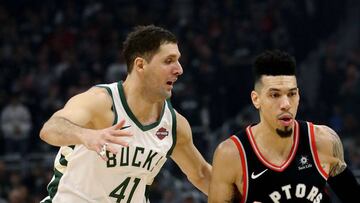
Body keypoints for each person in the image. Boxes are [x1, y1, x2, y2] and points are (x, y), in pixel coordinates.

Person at [40, 25, 211, 203]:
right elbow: (51, 128)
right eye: (169, 61)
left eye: (178, 60)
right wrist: (87, 135)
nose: (179, 69)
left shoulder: (174, 124)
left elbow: (201, 174)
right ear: (140, 65)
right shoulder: (101, 102)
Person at [208, 50, 360, 203]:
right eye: (275, 95)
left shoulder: (324, 141)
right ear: (256, 99)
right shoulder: (231, 155)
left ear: (298, 96)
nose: (286, 104)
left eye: (291, 94)